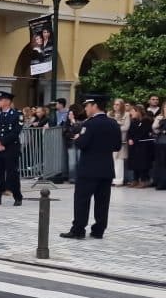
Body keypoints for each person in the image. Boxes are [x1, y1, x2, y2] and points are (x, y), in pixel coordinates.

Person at [61, 95, 120, 240]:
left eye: (87, 106)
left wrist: (78, 138)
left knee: (82, 200)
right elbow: (117, 146)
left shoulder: (90, 124)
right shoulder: (113, 123)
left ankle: (78, 230)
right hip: (106, 169)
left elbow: (82, 144)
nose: (86, 109)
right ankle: (98, 230)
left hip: (89, 169)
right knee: (102, 202)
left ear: (94, 106)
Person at [0, 91, 24, 206]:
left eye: (1, 100)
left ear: (7, 101)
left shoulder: (17, 114)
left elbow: (15, 132)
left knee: (12, 173)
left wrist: (2, 142)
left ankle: (17, 196)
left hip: (11, 148)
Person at [127, 105, 155, 188]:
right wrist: (129, 139)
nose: (131, 113)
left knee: (143, 163)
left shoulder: (146, 121)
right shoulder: (133, 121)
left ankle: (144, 180)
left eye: (132, 111)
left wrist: (134, 140)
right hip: (134, 146)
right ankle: (135, 179)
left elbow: (142, 132)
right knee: (134, 163)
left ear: (138, 111)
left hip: (143, 146)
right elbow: (130, 131)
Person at [109, 99, 130, 186]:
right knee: (111, 161)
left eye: (117, 104)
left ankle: (118, 180)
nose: (115, 106)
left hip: (121, 140)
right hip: (110, 141)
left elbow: (126, 127)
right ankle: (110, 179)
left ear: (121, 105)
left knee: (119, 161)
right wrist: (117, 125)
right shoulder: (109, 114)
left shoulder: (126, 114)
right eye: (114, 104)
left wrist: (115, 126)